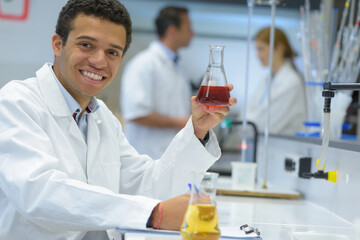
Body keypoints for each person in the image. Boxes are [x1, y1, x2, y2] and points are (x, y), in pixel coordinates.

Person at [0, 0, 236, 239]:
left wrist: (197, 130)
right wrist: (154, 213)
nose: (100, 61)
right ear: (58, 44)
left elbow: (149, 186)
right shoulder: (16, 103)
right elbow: (39, 193)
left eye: (112, 52)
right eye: (86, 45)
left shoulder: (102, 118)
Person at [120, 6, 194, 159]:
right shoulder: (143, 64)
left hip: (169, 157)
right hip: (146, 158)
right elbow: (136, 113)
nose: (193, 33)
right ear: (172, 31)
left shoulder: (178, 67)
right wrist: (181, 122)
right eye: (188, 27)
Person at [247, 27, 306, 135]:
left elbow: (262, 126)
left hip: (281, 148)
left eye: (262, 49)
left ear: (279, 48)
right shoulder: (268, 80)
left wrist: (248, 120)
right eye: (257, 49)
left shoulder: (291, 82)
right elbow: (247, 118)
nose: (258, 55)